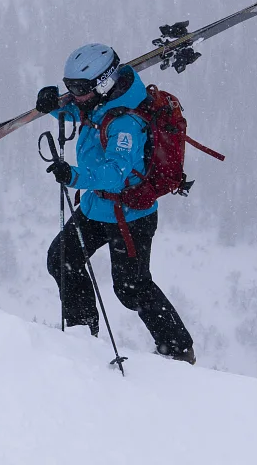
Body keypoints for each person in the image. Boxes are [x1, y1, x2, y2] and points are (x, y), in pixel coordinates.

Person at [36, 43, 195, 365]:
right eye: (70, 87)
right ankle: (82, 334)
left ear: (104, 82)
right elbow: (81, 110)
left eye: (79, 87)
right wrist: (53, 106)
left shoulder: (126, 122)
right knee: (62, 258)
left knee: (131, 287)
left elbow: (118, 172)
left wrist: (74, 175)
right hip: (99, 208)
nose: (74, 93)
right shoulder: (101, 100)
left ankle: (178, 349)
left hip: (130, 214)